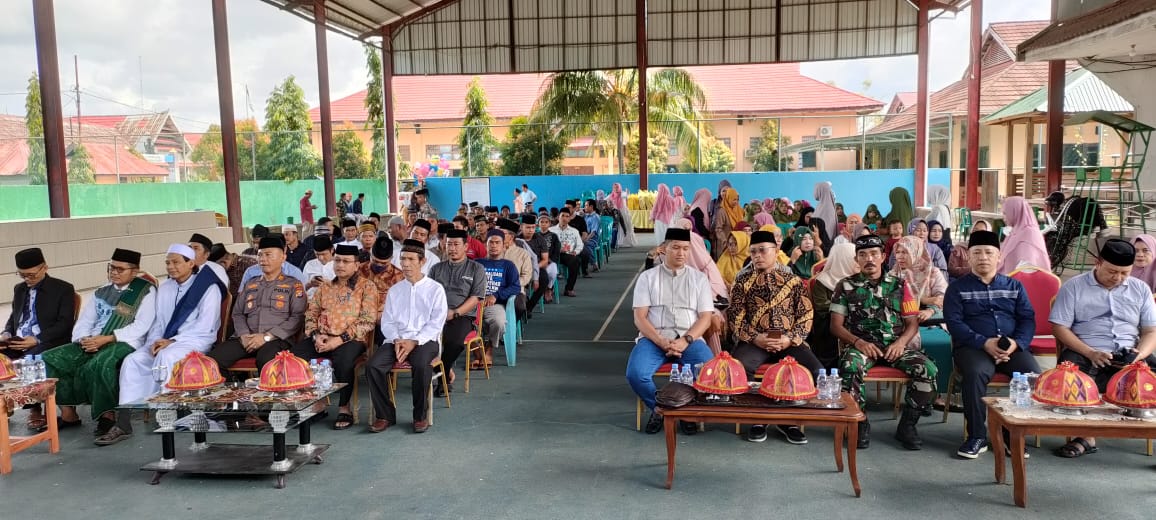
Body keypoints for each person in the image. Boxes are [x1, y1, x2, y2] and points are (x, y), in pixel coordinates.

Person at [1049, 239, 1156, 458]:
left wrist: (1139, 355)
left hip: (1130, 353)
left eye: (1125, 273)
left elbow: (1150, 331)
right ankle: (1085, 437)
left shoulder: (1140, 289)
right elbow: (1059, 327)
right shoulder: (1074, 286)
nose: (1118, 278)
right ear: (1098, 263)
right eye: (1112, 271)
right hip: (1086, 350)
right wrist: (1090, 352)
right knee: (1070, 372)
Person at [831, 234, 936, 450]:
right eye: (863, 255)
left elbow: (912, 323)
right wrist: (858, 342)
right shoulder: (845, 286)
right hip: (862, 346)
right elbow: (835, 326)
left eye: (873, 254)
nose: (869, 259)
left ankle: (907, 426)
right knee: (850, 366)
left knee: (928, 369)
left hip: (894, 347)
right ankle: (859, 423)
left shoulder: (901, 285)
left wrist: (901, 343)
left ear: (883, 257)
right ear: (856, 259)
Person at [41, 248, 154, 443]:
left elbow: (142, 326)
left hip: (124, 341)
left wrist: (107, 339)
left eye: (120, 269)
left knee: (100, 364)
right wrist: (84, 339)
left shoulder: (145, 292)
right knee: (51, 357)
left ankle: (107, 415)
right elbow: (85, 321)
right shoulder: (101, 291)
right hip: (93, 340)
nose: (114, 272)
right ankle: (69, 414)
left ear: (134, 271)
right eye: (111, 267)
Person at [943, 230, 1039, 459]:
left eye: (988, 252)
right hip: (972, 347)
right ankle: (976, 436)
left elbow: (1027, 319)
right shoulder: (957, 288)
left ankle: (1012, 433)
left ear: (999, 257)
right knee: (976, 374)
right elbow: (954, 323)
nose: (983, 257)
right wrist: (984, 342)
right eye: (977, 252)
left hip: (1011, 347)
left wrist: (1017, 343)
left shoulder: (1014, 287)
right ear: (969, 257)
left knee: (1031, 374)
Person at [727, 230, 820, 445]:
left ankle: (789, 419)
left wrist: (790, 339)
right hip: (755, 341)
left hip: (788, 340)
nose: (757, 256)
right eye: (753, 252)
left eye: (762, 250)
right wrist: (756, 338)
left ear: (776, 250)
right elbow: (735, 317)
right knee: (740, 368)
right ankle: (757, 419)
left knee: (815, 371)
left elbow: (806, 314)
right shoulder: (742, 282)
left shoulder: (793, 281)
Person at [627, 228, 716, 435]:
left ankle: (685, 409)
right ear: (664, 248)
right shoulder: (647, 278)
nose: (681, 253)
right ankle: (660, 409)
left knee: (709, 371)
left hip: (689, 338)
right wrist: (660, 341)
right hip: (654, 338)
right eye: (676, 247)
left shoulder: (699, 279)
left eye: (686, 248)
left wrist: (686, 340)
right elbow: (639, 318)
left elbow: (705, 318)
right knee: (636, 374)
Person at [119, 244, 224, 406]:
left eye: (176, 262)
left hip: (195, 340)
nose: (170, 267)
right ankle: (132, 410)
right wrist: (154, 342)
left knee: (166, 356)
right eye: (168, 263)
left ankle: (167, 409)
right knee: (133, 360)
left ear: (191, 263)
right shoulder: (165, 287)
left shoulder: (208, 288)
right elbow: (158, 322)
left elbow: (206, 326)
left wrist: (173, 341)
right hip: (164, 342)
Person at [291, 244, 379, 430]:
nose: (340, 265)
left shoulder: (367, 286)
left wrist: (338, 340)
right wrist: (315, 335)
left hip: (351, 339)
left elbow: (367, 320)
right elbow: (311, 313)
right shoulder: (325, 287)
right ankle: (316, 403)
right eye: (337, 260)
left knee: (344, 362)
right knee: (294, 358)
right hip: (322, 337)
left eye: (346, 261)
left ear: (356, 265)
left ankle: (344, 407)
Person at [366, 239, 447, 434]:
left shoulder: (435, 289)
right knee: (373, 366)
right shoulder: (395, 290)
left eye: (411, 259)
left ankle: (420, 416)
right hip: (396, 340)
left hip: (425, 340)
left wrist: (414, 341)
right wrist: (397, 340)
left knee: (421, 365)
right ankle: (385, 415)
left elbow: (436, 323)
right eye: (403, 259)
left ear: (422, 261)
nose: (406, 264)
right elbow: (387, 322)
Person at [208, 236, 307, 378]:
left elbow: (297, 317)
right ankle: (233, 392)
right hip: (247, 337)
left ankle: (267, 394)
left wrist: (266, 337)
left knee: (266, 361)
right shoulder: (251, 284)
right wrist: (243, 335)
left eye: (268, 255)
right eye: (260, 255)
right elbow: (237, 313)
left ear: (283, 257)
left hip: (277, 339)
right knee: (212, 360)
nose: (262, 259)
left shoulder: (293, 285)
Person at [429, 229, 487, 396]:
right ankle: (444, 373)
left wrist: (455, 312)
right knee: (424, 341)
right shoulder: (436, 269)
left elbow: (476, 298)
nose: (452, 248)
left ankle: (443, 378)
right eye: (449, 244)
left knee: (454, 342)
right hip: (436, 315)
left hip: (463, 316)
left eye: (456, 244)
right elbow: (428, 294)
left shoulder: (476, 268)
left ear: (466, 246)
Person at [2, 247, 76, 359]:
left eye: (31, 275)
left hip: (47, 341)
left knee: (24, 362)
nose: (27, 279)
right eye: (22, 275)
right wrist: (6, 333)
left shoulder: (63, 289)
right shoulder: (19, 289)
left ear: (45, 268)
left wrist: (37, 339)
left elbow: (65, 323)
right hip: (18, 342)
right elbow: (14, 318)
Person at [475, 230, 522, 367]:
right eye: (491, 242)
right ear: (486, 244)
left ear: (504, 245)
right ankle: (477, 352)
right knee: (464, 321)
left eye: (497, 243)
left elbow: (515, 287)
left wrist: (496, 295)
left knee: (499, 322)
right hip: (474, 303)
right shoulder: (477, 263)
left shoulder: (508, 265)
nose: (494, 245)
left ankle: (489, 347)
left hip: (495, 305)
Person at [809, 243, 859, 368]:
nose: (858, 261)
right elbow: (821, 306)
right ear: (843, 260)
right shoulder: (822, 281)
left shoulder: (860, 279)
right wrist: (846, 309)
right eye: (854, 258)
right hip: (829, 324)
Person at [891, 236, 947, 324]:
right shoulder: (893, 274)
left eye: (905, 252)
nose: (900, 256)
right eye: (897, 252)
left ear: (916, 253)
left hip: (931, 322)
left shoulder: (933, 273)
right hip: (901, 322)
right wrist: (923, 299)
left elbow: (943, 298)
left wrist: (931, 311)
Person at [999, 196, 1051, 274]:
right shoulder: (1016, 230)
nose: (1003, 217)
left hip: (1019, 279)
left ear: (1015, 212)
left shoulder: (1029, 233)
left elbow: (1028, 267)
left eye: (1005, 213)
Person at [523, 214, 559, 309]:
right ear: (522, 227)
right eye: (528, 227)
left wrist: (534, 268)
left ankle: (529, 307)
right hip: (520, 268)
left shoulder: (540, 239)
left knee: (544, 280)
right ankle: (522, 300)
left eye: (533, 227)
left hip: (537, 266)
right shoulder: (517, 239)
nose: (531, 230)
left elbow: (545, 260)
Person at [550, 208, 583, 297]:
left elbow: (580, 245)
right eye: (562, 216)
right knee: (549, 264)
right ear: (558, 217)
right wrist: (557, 249)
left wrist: (575, 252)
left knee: (576, 260)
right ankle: (549, 289)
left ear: (569, 219)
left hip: (567, 255)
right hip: (553, 254)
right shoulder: (551, 230)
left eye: (567, 216)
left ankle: (569, 288)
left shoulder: (574, 231)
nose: (564, 218)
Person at [713, 186, 744, 260]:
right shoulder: (722, 211)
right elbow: (718, 229)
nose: (736, 202)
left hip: (738, 244)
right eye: (734, 199)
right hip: (725, 245)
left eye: (737, 200)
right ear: (728, 198)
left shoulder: (739, 210)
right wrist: (725, 242)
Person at [608, 182, 637, 247]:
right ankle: (617, 242)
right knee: (617, 227)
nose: (616, 189)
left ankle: (626, 242)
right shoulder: (611, 195)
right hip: (615, 213)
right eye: (614, 187)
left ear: (619, 187)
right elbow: (605, 199)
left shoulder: (622, 193)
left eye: (617, 187)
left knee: (625, 226)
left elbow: (627, 195)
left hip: (623, 212)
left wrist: (627, 192)